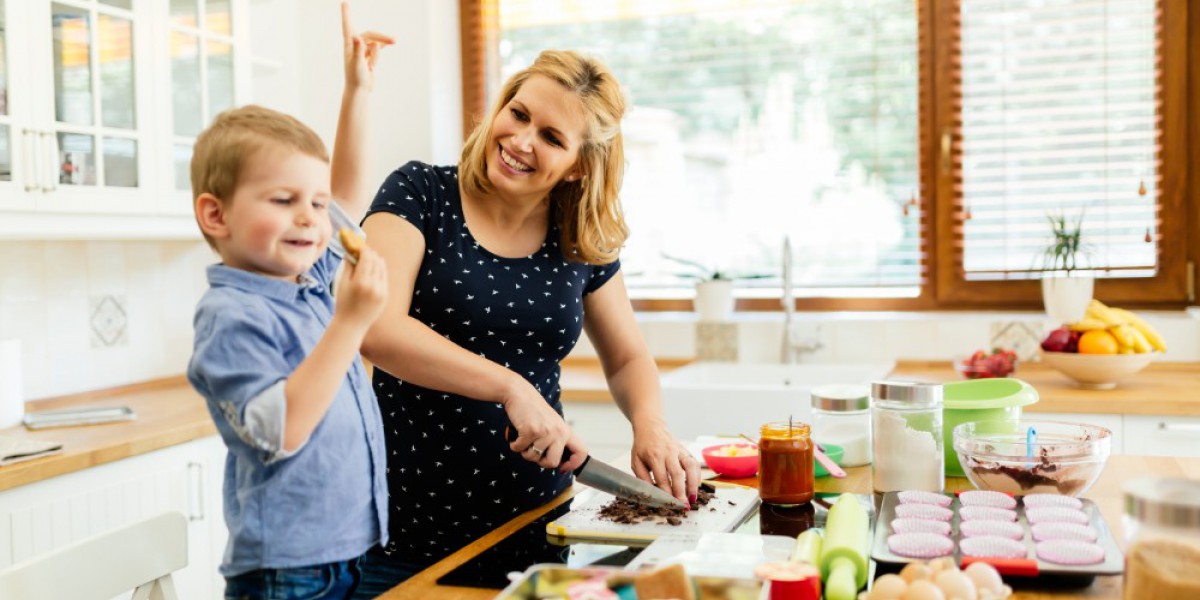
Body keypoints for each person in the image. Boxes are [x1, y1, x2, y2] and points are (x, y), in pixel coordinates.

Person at [353, 50, 702, 594]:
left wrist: (649, 424)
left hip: (538, 524)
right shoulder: (420, 193)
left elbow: (629, 357)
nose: (520, 141)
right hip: (405, 533)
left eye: (551, 137)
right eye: (518, 114)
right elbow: (376, 329)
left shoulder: (579, 237)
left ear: (580, 164)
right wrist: (510, 386)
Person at [186, 4, 394, 598]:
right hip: (287, 573)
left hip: (351, 553)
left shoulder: (307, 277)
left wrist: (357, 89)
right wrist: (351, 323)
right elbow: (283, 431)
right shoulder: (231, 315)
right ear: (216, 214)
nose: (310, 215)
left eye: (314, 202)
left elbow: (346, 191)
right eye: (283, 199)